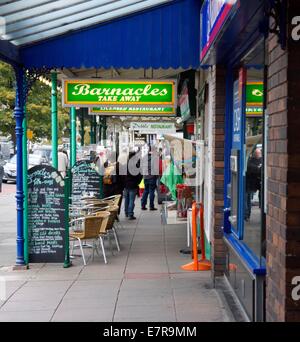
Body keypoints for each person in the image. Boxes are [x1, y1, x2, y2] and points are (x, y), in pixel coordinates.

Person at [245, 147, 262, 221]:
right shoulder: (251, 160)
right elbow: (249, 167)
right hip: (250, 183)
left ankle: (261, 214)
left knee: (261, 198)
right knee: (247, 199)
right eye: (256, 153)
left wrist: (258, 168)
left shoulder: (262, 160)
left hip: (259, 183)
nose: (258, 154)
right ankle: (247, 215)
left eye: (259, 153)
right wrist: (258, 168)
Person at [124, 151, 142, 220]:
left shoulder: (125, 164)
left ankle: (126, 212)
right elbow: (139, 175)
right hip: (133, 184)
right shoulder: (136, 164)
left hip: (126, 184)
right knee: (131, 200)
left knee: (127, 199)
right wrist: (138, 182)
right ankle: (130, 214)